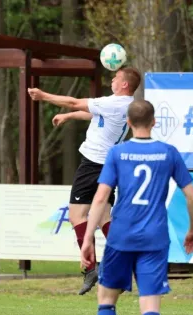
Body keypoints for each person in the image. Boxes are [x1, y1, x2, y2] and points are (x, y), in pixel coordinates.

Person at [81, 100, 193, 315]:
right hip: (154, 239)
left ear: (129, 124)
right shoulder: (168, 153)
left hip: (120, 237)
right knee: (150, 306)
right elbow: (192, 197)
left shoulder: (117, 153)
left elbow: (100, 198)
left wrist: (87, 238)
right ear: (154, 122)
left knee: (106, 300)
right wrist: (192, 230)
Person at [28, 66, 141, 295]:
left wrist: (44, 96)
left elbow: (73, 101)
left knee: (76, 215)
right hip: (109, 164)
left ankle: (91, 269)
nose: (112, 79)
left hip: (93, 164)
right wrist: (69, 116)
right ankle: (127, 262)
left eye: (116, 78)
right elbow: (91, 112)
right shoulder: (121, 104)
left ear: (125, 85)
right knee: (105, 217)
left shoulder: (113, 104)